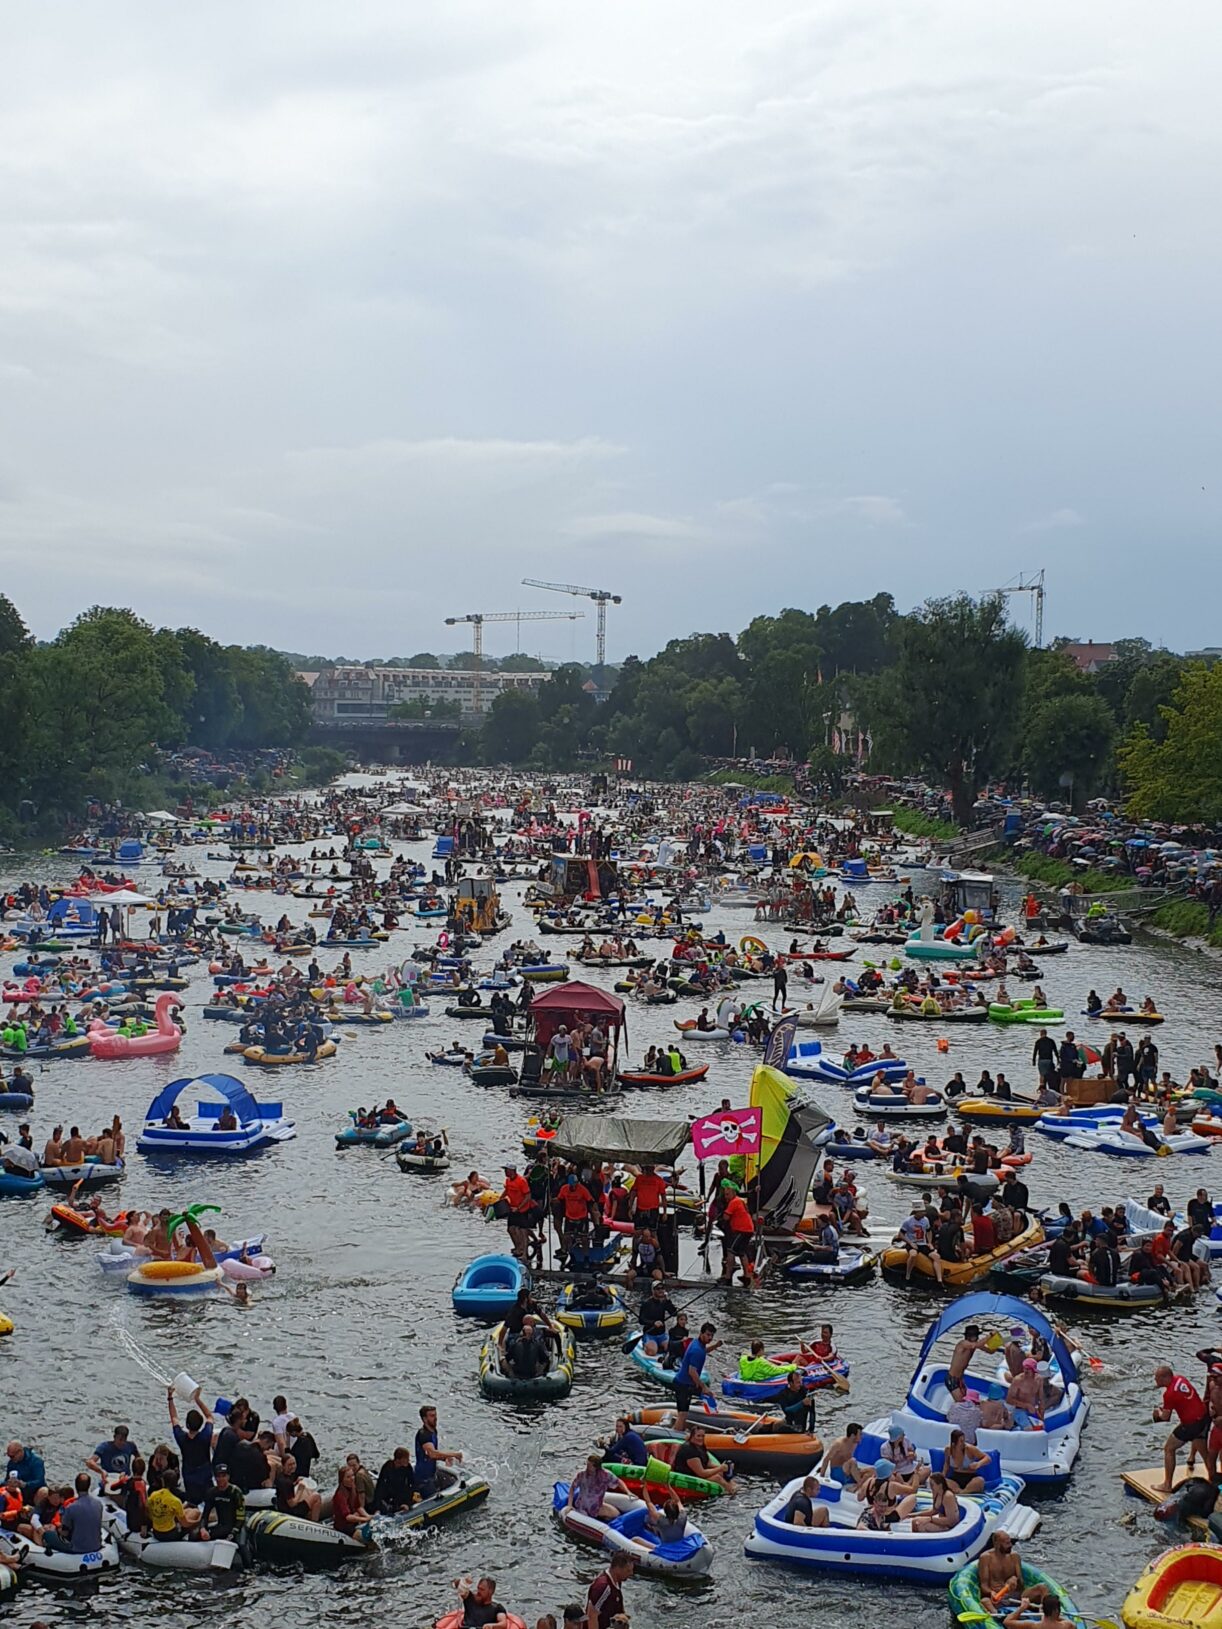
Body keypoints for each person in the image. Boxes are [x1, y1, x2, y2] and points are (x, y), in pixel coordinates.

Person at [1153, 1364, 1209, 1492]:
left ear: (1164, 1377)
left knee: (1168, 1448)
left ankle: (1167, 1484)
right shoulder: (1180, 1379)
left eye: (1157, 1378)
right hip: (1202, 1418)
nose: (1155, 1380)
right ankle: (1214, 1479)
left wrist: (1158, 1413)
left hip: (1190, 1425)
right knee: (1204, 1452)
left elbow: (1165, 1418)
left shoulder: (1169, 1394)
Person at [167, 1386, 214, 1505]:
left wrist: (170, 1397)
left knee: (193, 1502)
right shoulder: (205, 1436)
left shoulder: (181, 1438)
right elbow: (209, 1416)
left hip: (189, 1475)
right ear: (200, 1424)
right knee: (209, 1499)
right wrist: (197, 1399)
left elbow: (174, 1418)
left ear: (187, 1425)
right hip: (205, 1473)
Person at [673, 1321, 720, 1429]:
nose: (710, 1338)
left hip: (688, 1383)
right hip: (683, 1385)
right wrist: (703, 1387)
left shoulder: (697, 1343)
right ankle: (676, 1434)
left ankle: (711, 1414)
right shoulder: (696, 1350)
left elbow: (704, 1351)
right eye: (708, 1335)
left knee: (709, 1394)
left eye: (712, 1335)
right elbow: (692, 1371)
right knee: (683, 1414)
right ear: (701, 1333)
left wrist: (715, 1346)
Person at [44, 1471, 103, 1553]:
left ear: (76, 1486)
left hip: (77, 1548)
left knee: (47, 1533)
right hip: (96, 1545)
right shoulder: (98, 1504)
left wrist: (56, 1528)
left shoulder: (71, 1508)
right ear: (89, 1486)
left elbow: (64, 1533)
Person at [671, 1425, 736, 1495]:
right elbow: (702, 1473)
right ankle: (731, 1492)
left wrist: (725, 1467)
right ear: (692, 1436)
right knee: (717, 1478)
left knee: (722, 1473)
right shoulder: (689, 1450)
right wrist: (720, 1468)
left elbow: (708, 1464)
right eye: (698, 1436)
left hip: (698, 1473)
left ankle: (735, 1487)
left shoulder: (701, 1446)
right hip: (687, 1476)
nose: (701, 1438)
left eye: (703, 1436)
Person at [415, 1404, 462, 1496]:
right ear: (425, 1419)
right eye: (432, 1416)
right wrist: (453, 1454)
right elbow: (432, 1454)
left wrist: (444, 1459)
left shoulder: (433, 1431)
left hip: (432, 1473)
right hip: (423, 1479)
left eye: (435, 1415)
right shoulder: (424, 1435)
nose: (435, 1418)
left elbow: (430, 1455)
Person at [566, 1453, 628, 1522]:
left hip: (597, 1506)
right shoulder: (582, 1475)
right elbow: (572, 1488)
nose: (587, 1468)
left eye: (589, 1466)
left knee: (617, 1514)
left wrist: (628, 1492)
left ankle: (605, 1520)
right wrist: (569, 1505)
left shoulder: (605, 1475)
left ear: (596, 1467)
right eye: (587, 1465)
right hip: (583, 1506)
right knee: (586, 1518)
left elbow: (618, 1481)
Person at [586, 1552, 633, 1629]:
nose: (631, 1573)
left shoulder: (617, 1581)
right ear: (618, 1569)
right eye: (628, 1571)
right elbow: (592, 1616)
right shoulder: (603, 1587)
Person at [198, 1463, 245, 1539]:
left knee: (242, 1546)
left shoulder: (236, 1492)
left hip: (236, 1528)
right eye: (218, 1476)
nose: (220, 1479)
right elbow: (205, 1515)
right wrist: (203, 1529)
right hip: (221, 1526)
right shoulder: (212, 1492)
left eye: (223, 1476)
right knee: (194, 1535)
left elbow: (241, 1518)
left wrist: (234, 1532)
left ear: (228, 1477)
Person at [817, 1422, 865, 1488]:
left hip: (847, 1471)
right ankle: (860, 1484)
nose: (861, 1437)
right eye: (860, 1434)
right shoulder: (839, 1444)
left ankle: (859, 1482)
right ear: (853, 1436)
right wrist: (821, 1477)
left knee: (871, 1471)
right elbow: (826, 1459)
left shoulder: (855, 1443)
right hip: (837, 1473)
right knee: (852, 1461)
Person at [944, 1428, 992, 1493]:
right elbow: (946, 1464)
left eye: (964, 1440)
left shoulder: (970, 1449)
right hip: (955, 1477)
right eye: (961, 1441)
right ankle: (961, 1491)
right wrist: (943, 1475)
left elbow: (988, 1458)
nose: (963, 1443)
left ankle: (963, 1492)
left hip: (970, 1477)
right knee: (943, 1481)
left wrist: (978, 1464)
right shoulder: (948, 1450)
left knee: (980, 1481)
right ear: (954, 1443)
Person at [331, 1464, 371, 1540]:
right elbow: (347, 1517)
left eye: (352, 1475)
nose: (352, 1479)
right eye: (348, 1477)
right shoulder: (340, 1495)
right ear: (342, 1480)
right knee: (366, 1537)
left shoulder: (353, 1488)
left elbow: (358, 1507)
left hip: (354, 1522)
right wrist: (364, 1519)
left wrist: (367, 1516)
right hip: (344, 1527)